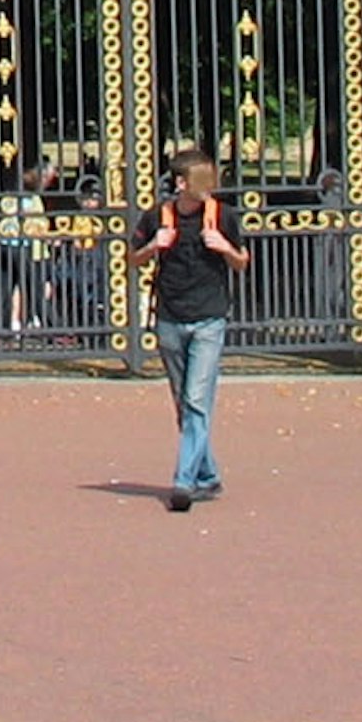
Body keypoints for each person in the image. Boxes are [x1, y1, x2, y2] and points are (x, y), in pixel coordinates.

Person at [134, 151, 245, 510]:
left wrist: (226, 248)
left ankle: (183, 482)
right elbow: (131, 258)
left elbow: (242, 261)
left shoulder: (223, 216)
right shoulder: (157, 216)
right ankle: (208, 475)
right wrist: (154, 246)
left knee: (197, 401)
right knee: (186, 403)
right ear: (181, 183)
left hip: (209, 318)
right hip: (170, 317)